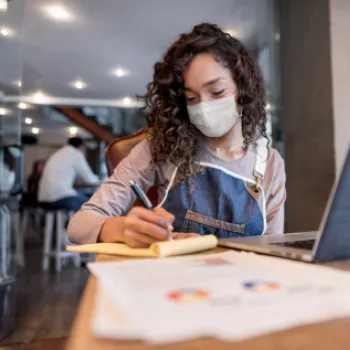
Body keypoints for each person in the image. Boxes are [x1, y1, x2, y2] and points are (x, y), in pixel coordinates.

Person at [68, 23, 286, 247]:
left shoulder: (270, 164)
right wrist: (122, 228)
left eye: (216, 92)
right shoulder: (163, 147)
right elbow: (79, 224)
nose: (204, 106)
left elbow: (274, 249)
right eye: (191, 98)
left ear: (243, 88)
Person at [38, 137, 99, 211]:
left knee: (83, 196)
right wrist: (101, 181)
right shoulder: (76, 154)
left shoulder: (58, 153)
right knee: (95, 206)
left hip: (43, 197)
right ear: (81, 146)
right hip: (60, 196)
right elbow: (90, 179)